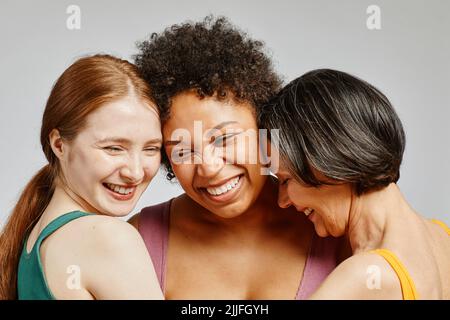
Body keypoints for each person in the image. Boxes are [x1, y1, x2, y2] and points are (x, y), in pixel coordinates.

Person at [130, 16, 348, 299]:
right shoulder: (140, 240)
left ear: (263, 129)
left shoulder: (328, 223)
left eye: (225, 138)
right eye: (182, 150)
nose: (208, 168)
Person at [258, 68, 450, 299]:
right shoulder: (443, 237)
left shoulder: (363, 277)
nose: (282, 201)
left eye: (286, 180)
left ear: (327, 158)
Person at [0, 54, 164, 300]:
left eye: (151, 149)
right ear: (59, 145)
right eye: (113, 148)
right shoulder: (107, 238)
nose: (136, 172)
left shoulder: (33, 241)